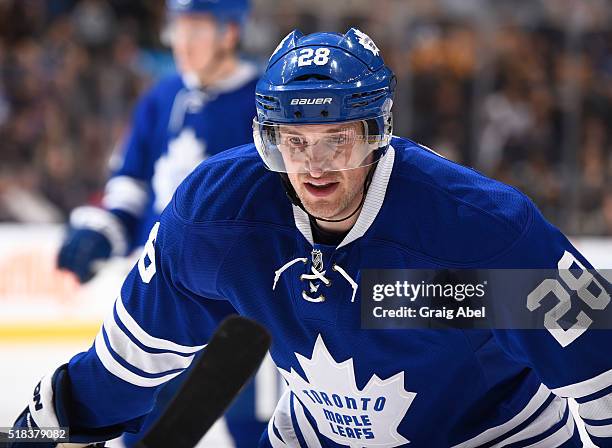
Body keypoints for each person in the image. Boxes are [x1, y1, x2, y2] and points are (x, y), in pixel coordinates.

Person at [12, 28, 612, 447]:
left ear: (378, 133)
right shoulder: (215, 217)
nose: (314, 166)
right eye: (292, 142)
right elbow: (121, 370)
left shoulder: (481, 228)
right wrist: (33, 430)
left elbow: (600, 357)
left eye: (338, 140)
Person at [55, 0, 276, 446]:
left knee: (261, 434)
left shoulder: (265, 102)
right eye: (178, 29)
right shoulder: (160, 98)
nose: (183, 43)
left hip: (241, 308)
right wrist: (102, 232)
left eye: (197, 30)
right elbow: (131, 186)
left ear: (230, 34)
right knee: (144, 433)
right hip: (162, 300)